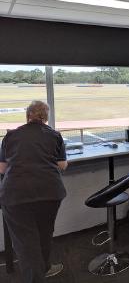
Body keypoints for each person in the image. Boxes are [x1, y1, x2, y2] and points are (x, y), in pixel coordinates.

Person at [0, 101, 68, 283]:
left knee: (25, 244)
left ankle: (38, 275)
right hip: (49, 193)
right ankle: (43, 269)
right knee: (45, 234)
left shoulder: (11, 136)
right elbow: (62, 165)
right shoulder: (55, 135)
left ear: (27, 115)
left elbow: (2, 168)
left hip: (16, 196)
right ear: (45, 117)